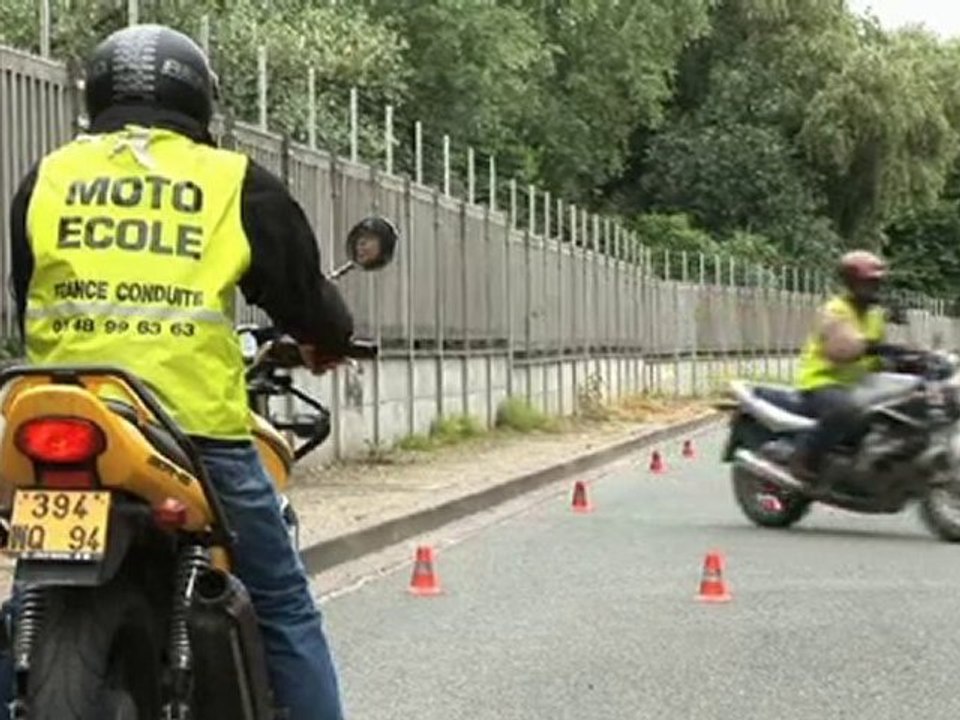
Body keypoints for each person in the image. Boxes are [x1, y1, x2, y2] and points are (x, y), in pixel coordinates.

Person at [2, 24, 351, 720]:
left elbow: (25, 300)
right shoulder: (230, 182)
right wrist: (325, 340)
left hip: (55, 412)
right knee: (284, 603)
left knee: (26, 602)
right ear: (200, 102)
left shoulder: (48, 176)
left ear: (95, 95)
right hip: (191, 428)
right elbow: (304, 298)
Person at [791, 250, 908, 486]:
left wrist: (906, 361)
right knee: (845, 411)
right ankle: (804, 457)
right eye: (869, 282)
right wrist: (878, 349)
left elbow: (879, 356)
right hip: (821, 382)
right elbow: (843, 349)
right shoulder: (835, 310)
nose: (875, 287)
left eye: (878, 282)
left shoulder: (875, 314)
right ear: (852, 282)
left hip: (859, 384)